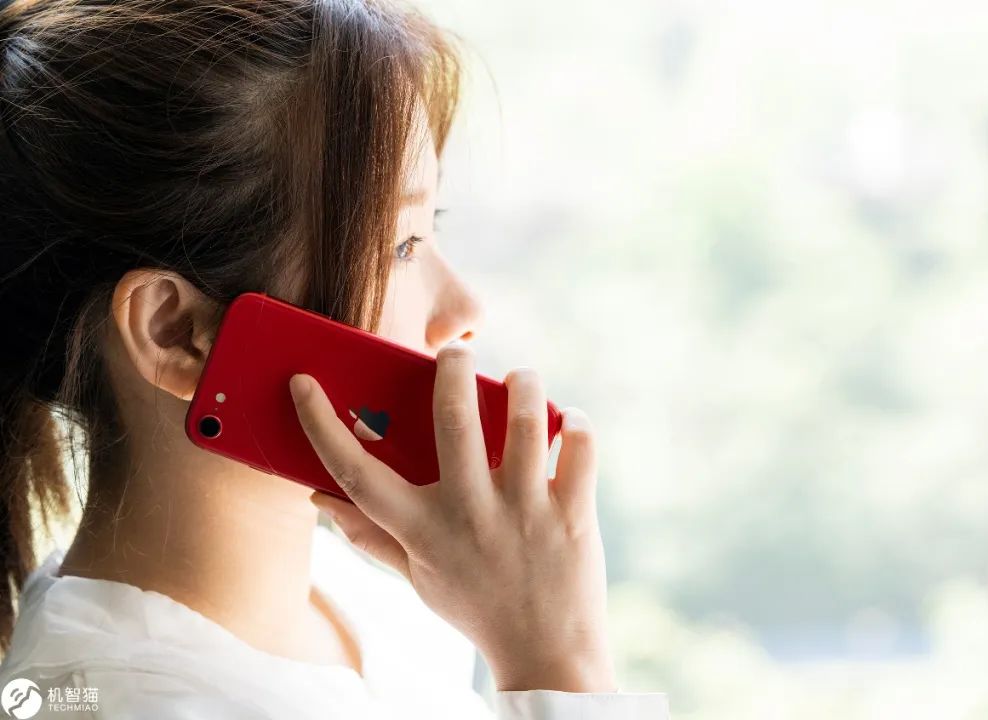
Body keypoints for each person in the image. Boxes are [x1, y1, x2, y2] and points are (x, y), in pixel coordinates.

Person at [0, 0, 669, 717]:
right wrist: (557, 662)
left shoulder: (373, 599)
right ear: (175, 331)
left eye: (432, 226)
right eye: (401, 245)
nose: (463, 308)